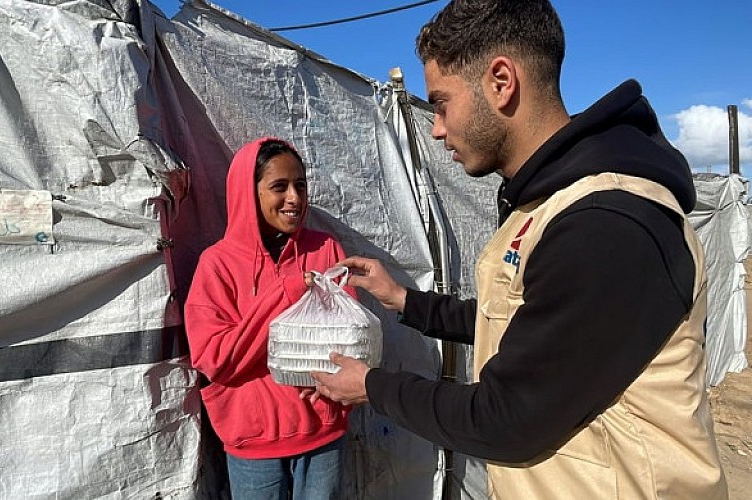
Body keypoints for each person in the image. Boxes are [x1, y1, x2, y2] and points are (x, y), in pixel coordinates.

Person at [311, 0, 727, 498]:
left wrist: (371, 386)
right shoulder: (546, 204)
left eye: (441, 104)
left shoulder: (606, 221)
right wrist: (404, 300)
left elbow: (504, 419)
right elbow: (521, 323)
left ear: (501, 82)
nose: (437, 128)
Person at [185, 137, 353, 499]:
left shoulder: (325, 249)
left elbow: (350, 337)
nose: (294, 198)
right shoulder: (217, 265)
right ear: (249, 193)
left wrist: (334, 378)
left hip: (324, 431)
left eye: (300, 185)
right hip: (254, 441)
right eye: (280, 186)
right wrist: (287, 294)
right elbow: (215, 358)